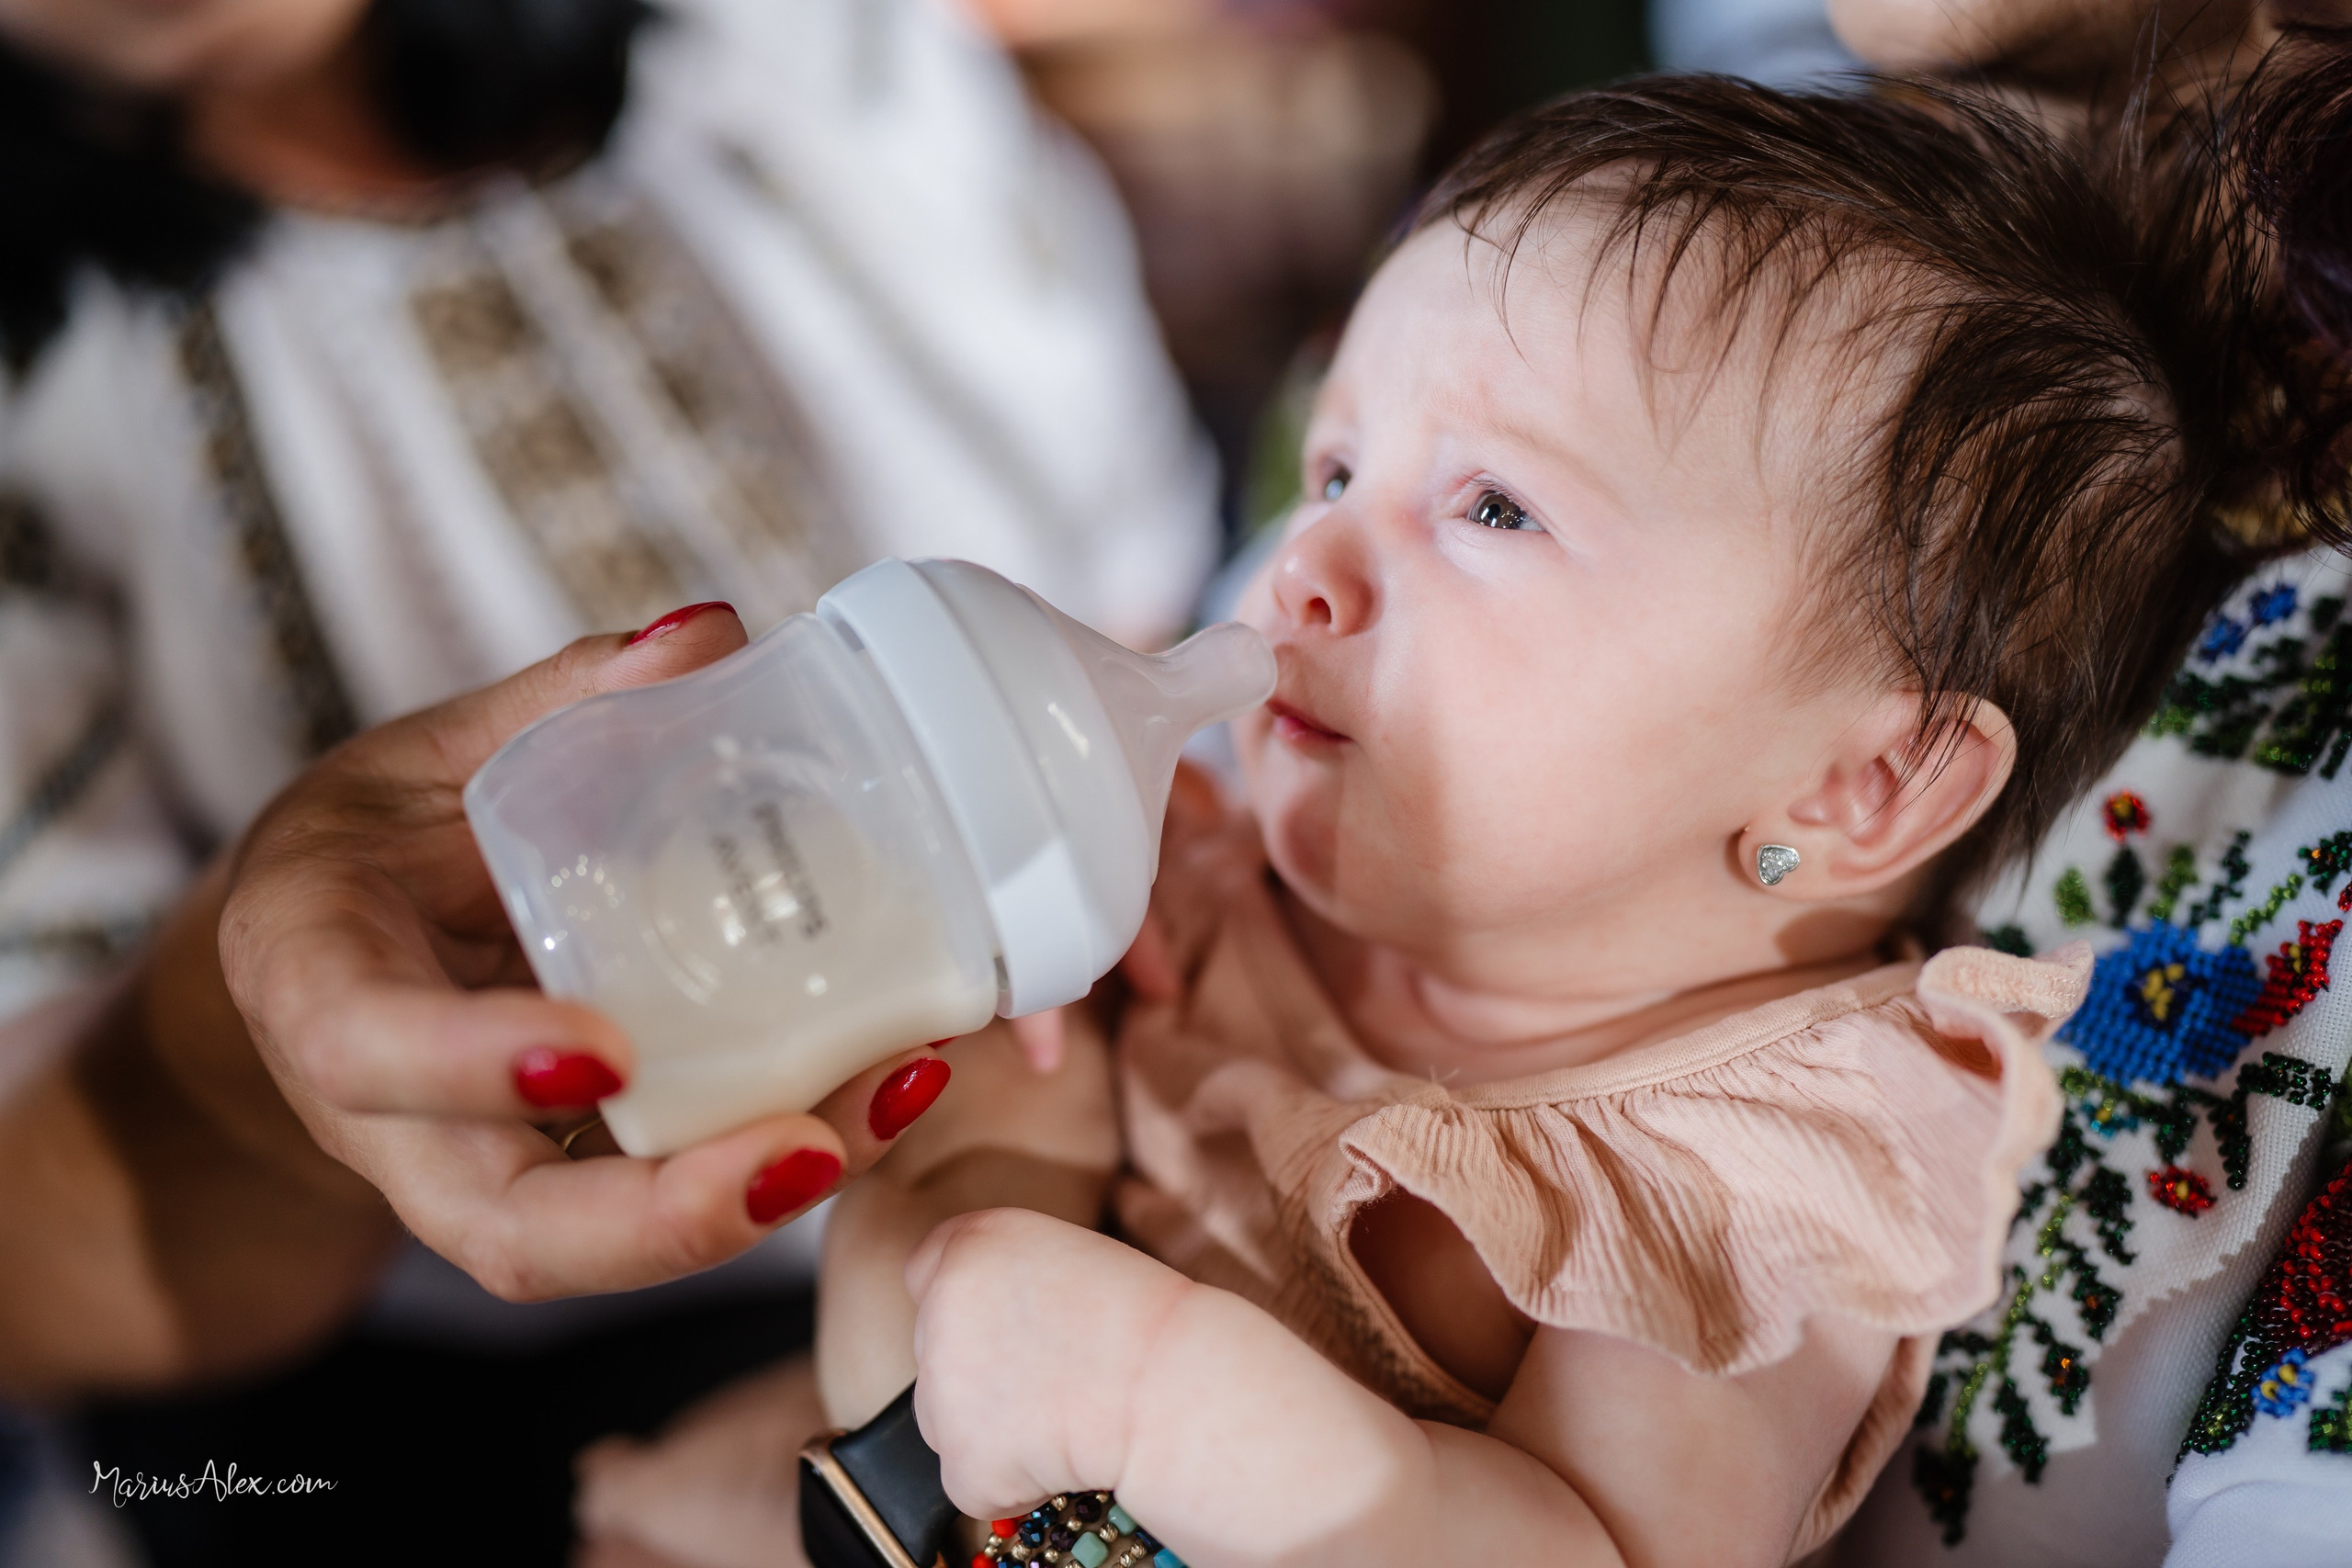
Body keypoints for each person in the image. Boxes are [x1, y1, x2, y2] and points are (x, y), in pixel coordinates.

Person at [787, 63, 2352, 1568]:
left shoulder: (1766, 1181)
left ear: (1856, 785)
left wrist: (1156, 1396)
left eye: (1492, 509)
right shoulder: (1204, 845)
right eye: (1334, 466)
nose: (1299, 569)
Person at [0, 0, 1215, 1558]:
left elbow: (1142, 608)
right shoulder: (47, 412)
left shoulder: (804, 54)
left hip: (1103, 1215)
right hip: (447, 1433)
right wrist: (246, 1057)